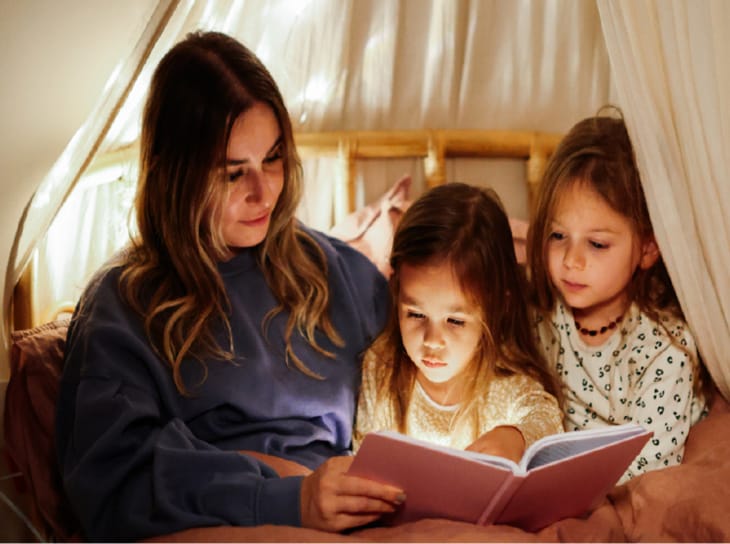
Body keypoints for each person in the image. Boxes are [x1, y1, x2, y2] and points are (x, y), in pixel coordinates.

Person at [55, 30, 405, 542]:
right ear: (176, 177)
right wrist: (287, 498)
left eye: (273, 158)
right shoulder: (122, 307)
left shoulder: (339, 272)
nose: (263, 192)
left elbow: (424, 397)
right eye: (231, 173)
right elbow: (116, 484)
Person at [526, 109, 710, 483]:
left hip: (615, 483)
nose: (572, 260)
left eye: (596, 244)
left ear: (647, 248)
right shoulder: (537, 317)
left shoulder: (665, 349)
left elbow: (650, 467)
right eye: (558, 236)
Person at [354, 182, 563, 463]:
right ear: (397, 290)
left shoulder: (503, 382)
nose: (432, 340)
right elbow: (363, 457)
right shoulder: (381, 369)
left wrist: (516, 436)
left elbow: (545, 418)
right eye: (416, 314)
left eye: (454, 320)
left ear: (496, 307)